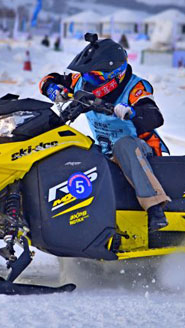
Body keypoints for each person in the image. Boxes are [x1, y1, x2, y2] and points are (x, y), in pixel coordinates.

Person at [39, 33, 170, 231]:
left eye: (93, 76)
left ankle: (155, 208)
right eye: (85, 74)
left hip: (142, 151)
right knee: (76, 150)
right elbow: (49, 79)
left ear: (115, 73)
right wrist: (53, 89)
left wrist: (131, 112)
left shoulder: (136, 87)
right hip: (106, 150)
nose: (87, 80)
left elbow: (154, 116)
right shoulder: (82, 81)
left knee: (123, 144)